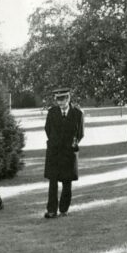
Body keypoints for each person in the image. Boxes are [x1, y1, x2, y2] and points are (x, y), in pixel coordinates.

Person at [43, 87, 84, 219]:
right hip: (54, 152)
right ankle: (51, 211)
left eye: (62, 100)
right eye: (58, 100)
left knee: (67, 182)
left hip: (68, 152)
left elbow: (80, 133)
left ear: (68, 98)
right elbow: (48, 129)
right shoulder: (52, 112)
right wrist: (55, 142)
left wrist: (72, 143)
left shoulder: (78, 114)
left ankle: (64, 209)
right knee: (52, 182)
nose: (60, 103)